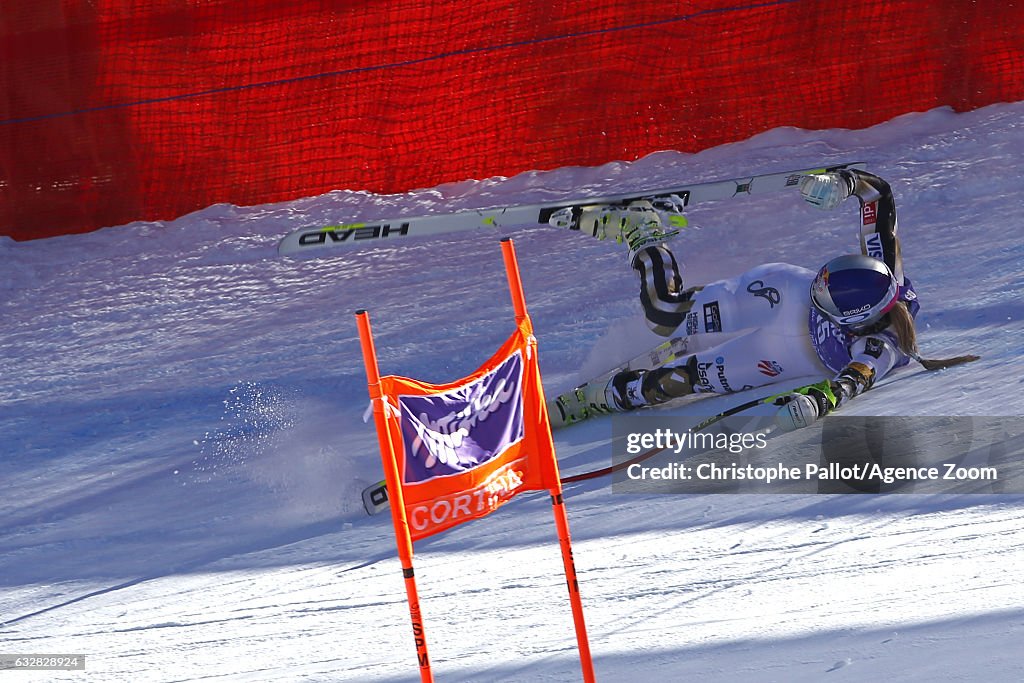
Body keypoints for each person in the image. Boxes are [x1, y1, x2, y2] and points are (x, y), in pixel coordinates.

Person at [550, 168, 978, 430]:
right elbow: (878, 195)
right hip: (781, 293)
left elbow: (855, 381)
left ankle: (593, 401)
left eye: (825, 302)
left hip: (778, 357)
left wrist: (815, 403)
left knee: (671, 386)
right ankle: (642, 229)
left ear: (856, 319)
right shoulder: (884, 274)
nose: (821, 299)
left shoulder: (879, 344)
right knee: (663, 312)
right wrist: (845, 182)